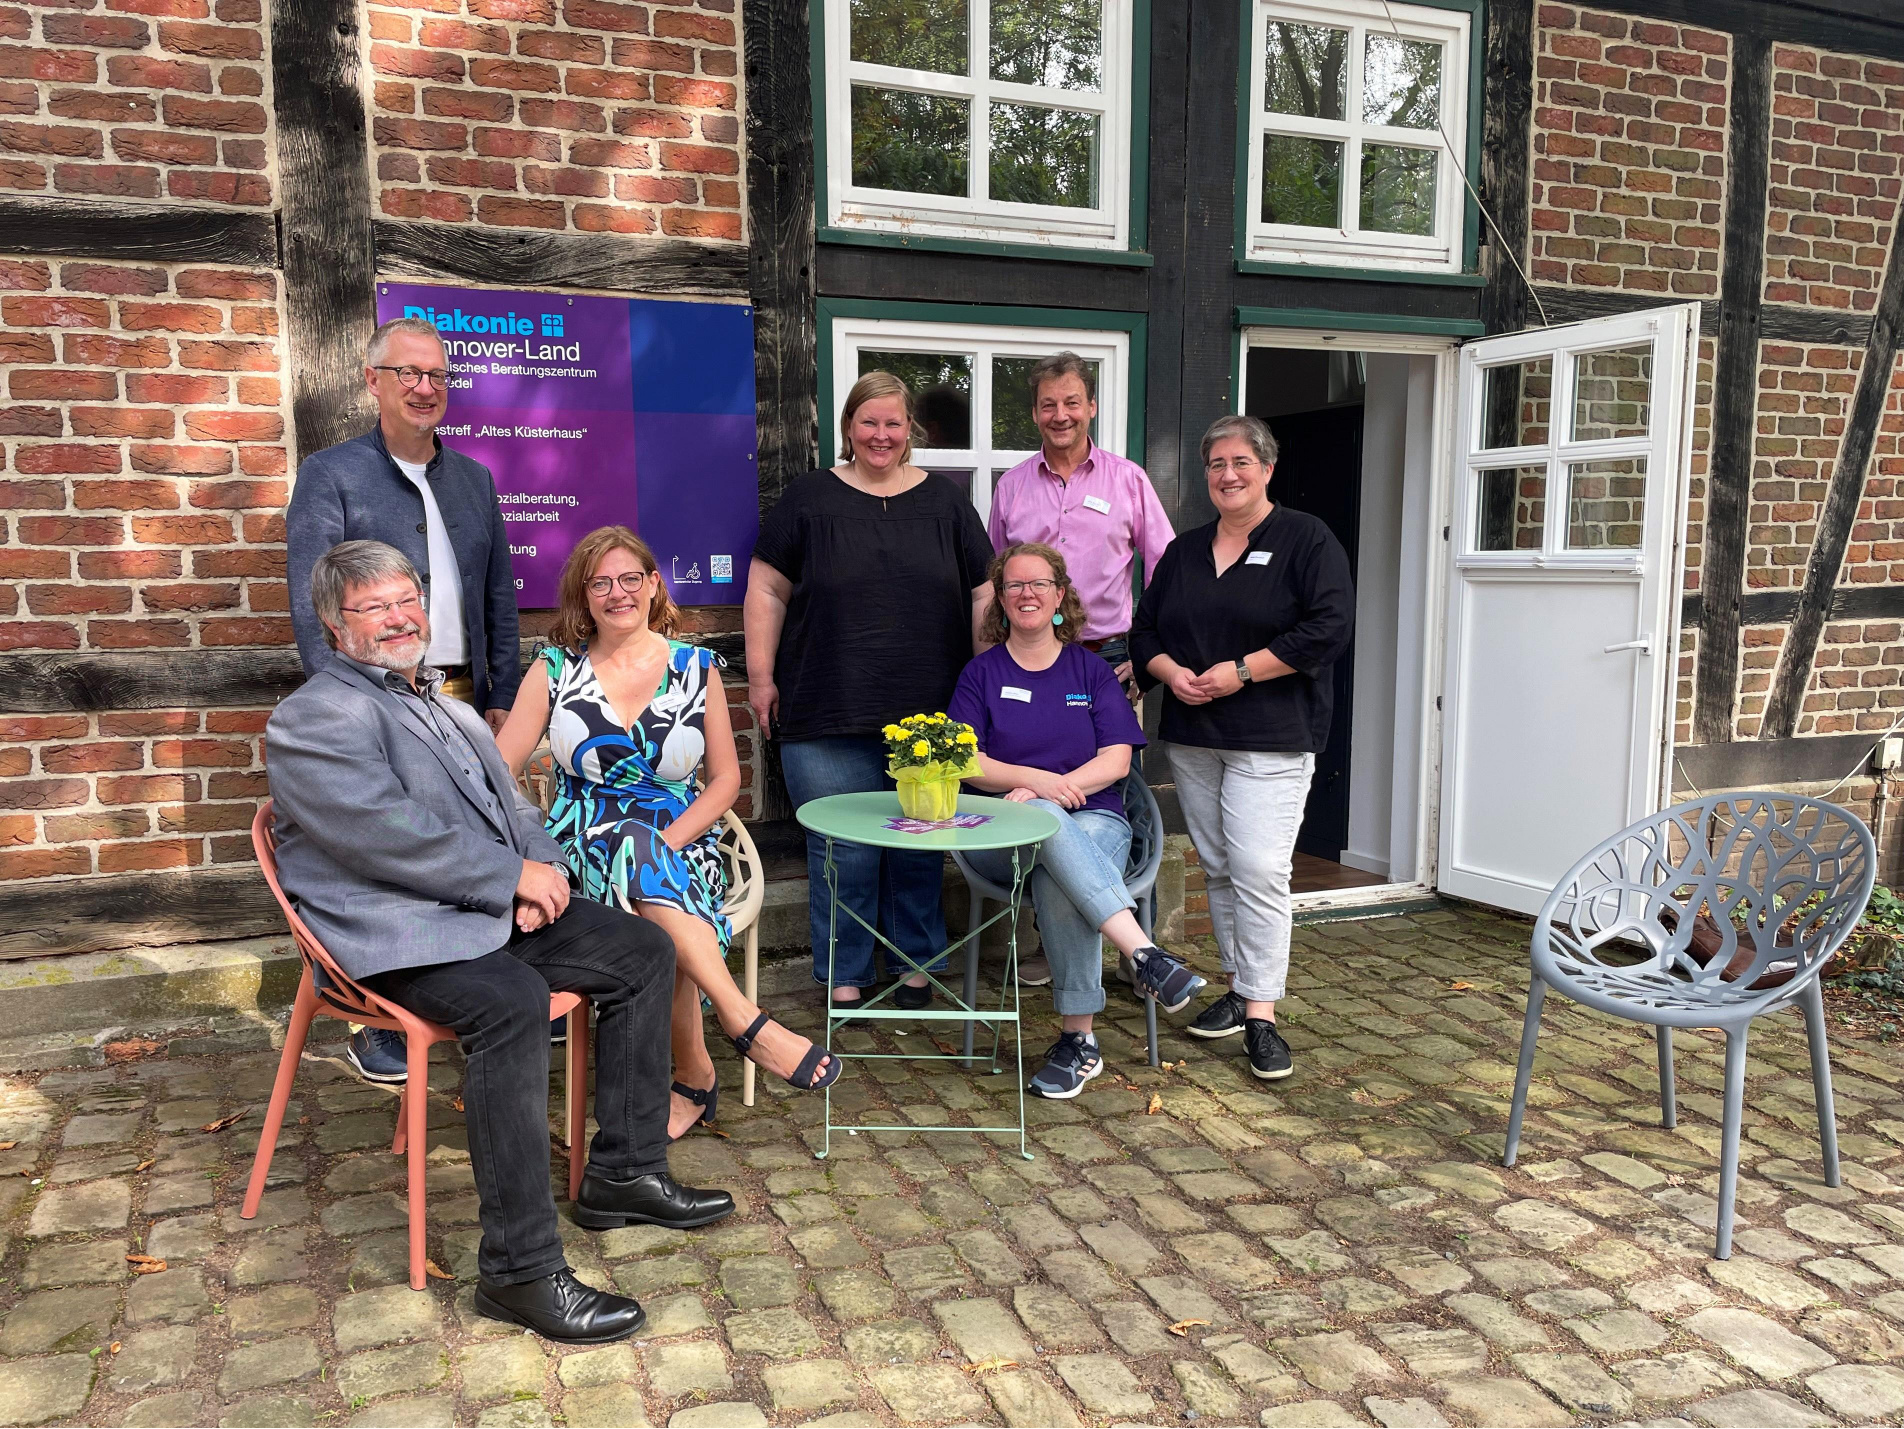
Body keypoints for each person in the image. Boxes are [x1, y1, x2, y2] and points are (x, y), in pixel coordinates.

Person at [266, 541, 733, 1345]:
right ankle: (518, 1270)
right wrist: (501, 879)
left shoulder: (444, 708)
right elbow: (386, 835)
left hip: (481, 908)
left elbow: (517, 811)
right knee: (513, 1003)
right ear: (332, 626)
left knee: (641, 952)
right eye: (372, 607)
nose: (396, 617)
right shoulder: (314, 717)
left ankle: (625, 1172)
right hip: (396, 932)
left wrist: (541, 874)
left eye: (405, 598)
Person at [497, 527, 839, 1141]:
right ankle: (736, 1031)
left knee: (647, 867)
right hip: (581, 840)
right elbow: (499, 772)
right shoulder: (554, 669)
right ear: (583, 595)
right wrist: (526, 853)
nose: (617, 592)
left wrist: (668, 840)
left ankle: (699, 1071)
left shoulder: (695, 667)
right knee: (633, 852)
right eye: (599, 582)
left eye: (631, 578)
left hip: (683, 840)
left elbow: (726, 781)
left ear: (655, 586)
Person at [286, 316, 522, 1086]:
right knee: (384, 839)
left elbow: (500, 598)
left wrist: (501, 696)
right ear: (373, 381)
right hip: (375, 688)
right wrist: (352, 703)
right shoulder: (332, 474)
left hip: (458, 688)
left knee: (471, 837)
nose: (426, 388)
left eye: (439, 376)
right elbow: (311, 603)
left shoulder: (475, 479)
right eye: (408, 374)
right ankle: (374, 1011)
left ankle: (488, 989)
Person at [745, 372, 994, 1017]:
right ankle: (845, 977)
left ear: (909, 431)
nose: (881, 436)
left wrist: (987, 684)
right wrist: (762, 676)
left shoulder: (946, 504)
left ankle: (917, 972)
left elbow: (982, 595)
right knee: (842, 851)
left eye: (894, 424)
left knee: (920, 846)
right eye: (868, 422)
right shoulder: (808, 500)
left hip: (930, 718)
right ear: (848, 427)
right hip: (824, 706)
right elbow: (766, 591)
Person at [1130, 415, 1354, 1082]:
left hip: (1272, 737)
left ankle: (1262, 1014)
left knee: (1259, 868)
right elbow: (1146, 630)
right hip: (1197, 736)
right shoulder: (1185, 550)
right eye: (1216, 464)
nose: (1227, 475)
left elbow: (1330, 626)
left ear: (1267, 468)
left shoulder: (1305, 539)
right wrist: (1170, 673)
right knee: (1221, 866)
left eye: (1240, 462)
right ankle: (1236, 984)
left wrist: (1244, 669)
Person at [949, 544, 1207, 1098]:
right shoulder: (981, 674)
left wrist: (1053, 794)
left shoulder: (1089, 669)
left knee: (1055, 869)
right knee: (1043, 829)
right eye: (1014, 585)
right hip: (1002, 833)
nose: (1027, 594)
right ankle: (1144, 954)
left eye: (1039, 584)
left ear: (1060, 594)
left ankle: (1079, 1042)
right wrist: (1040, 784)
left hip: (1098, 823)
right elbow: (965, 761)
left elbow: (1117, 759)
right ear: (1000, 599)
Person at [987, 352, 1174, 688]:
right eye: (1048, 405)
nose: (1060, 416)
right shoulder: (1011, 487)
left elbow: (1167, 569)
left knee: (1111, 743)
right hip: (1023, 657)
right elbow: (994, 581)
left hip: (1106, 658)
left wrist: (1147, 656)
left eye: (1071, 403)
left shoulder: (1129, 481)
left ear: (1092, 407)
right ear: (1034, 413)